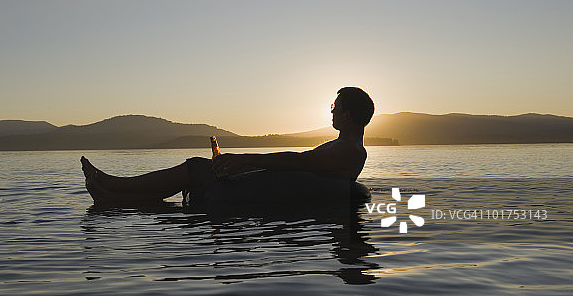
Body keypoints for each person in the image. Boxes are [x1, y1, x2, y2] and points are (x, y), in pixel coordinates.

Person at [81, 87, 374, 204]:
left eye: (335, 106)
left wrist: (244, 159)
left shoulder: (350, 150)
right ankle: (115, 196)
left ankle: (114, 185)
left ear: (347, 114)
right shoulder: (340, 145)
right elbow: (300, 166)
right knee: (199, 170)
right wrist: (241, 167)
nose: (331, 111)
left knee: (195, 169)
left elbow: (299, 162)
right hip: (264, 182)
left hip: (267, 190)